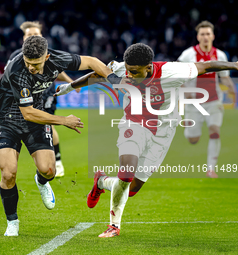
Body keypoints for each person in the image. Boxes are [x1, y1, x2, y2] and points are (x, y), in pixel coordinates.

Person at [55, 43, 238, 238]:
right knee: (126, 174)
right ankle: (113, 226)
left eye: (134, 72)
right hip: (133, 123)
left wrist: (234, 65)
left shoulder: (171, 72)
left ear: (149, 67)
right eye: (128, 70)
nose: (129, 75)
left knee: (132, 189)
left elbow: (206, 67)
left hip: (164, 130)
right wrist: (68, 87)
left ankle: (101, 181)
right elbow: (96, 75)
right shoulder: (121, 69)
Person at [0, 35, 114, 236]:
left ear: (47, 57)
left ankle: (41, 181)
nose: (31, 67)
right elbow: (27, 112)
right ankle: (12, 222)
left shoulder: (58, 59)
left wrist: (114, 80)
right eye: (28, 62)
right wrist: (64, 120)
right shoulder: (17, 70)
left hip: (35, 121)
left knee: (49, 170)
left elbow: (92, 62)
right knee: (9, 173)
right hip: (8, 120)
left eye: (36, 64)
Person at [6, 21, 80, 177]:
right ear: (23, 38)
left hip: (46, 93)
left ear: (42, 36)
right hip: (26, 96)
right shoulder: (15, 57)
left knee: (47, 121)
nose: (32, 36)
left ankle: (57, 162)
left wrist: (70, 82)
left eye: (35, 34)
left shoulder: (47, 53)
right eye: (29, 34)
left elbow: (56, 71)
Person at [178, 21, 236, 178]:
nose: (205, 37)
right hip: (193, 103)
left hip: (214, 101)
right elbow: (177, 76)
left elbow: (224, 78)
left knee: (215, 131)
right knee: (193, 139)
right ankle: (189, 131)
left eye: (208, 34)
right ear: (198, 37)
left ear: (213, 36)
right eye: (202, 34)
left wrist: (232, 91)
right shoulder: (188, 54)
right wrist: (184, 90)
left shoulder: (220, 55)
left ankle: (211, 169)